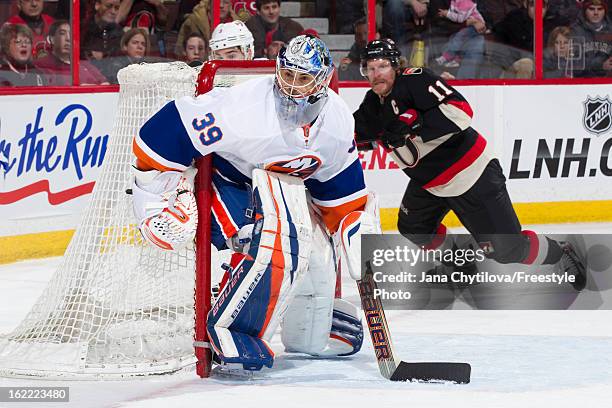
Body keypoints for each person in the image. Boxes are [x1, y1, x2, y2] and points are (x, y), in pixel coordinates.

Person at [131, 35, 375, 371]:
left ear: (322, 81)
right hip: (225, 183)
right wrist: (153, 197)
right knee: (267, 242)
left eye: (303, 78)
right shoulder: (242, 109)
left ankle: (310, 334)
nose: (292, 86)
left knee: (314, 254)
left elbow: (338, 189)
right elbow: (168, 129)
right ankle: (228, 329)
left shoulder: (338, 121)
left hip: (280, 191)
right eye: (287, 74)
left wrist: (353, 228)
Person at [353, 38, 587, 291]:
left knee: (508, 250)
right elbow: (350, 133)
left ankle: (560, 253)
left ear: (396, 66)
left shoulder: (415, 79)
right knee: (414, 227)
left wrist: (413, 125)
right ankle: (461, 264)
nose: (376, 74)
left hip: (473, 174)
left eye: (383, 66)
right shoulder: (372, 104)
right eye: (371, 68)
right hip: (431, 185)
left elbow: (460, 110)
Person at [35, 20, 109, 85]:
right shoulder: (42, 65)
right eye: (62, 33)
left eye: (71, 34)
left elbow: (105, 84)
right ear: (51, 39)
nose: (68, 38)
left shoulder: (85, 64)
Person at [434, 0, 486, 69]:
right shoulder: (454, 1)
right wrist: (446, 14)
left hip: (474, 26)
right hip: (461, 27)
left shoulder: (466, 2)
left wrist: (447, 14)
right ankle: (456, 60)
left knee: (461, 37)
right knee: (458, 38)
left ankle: (447, 56)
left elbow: (460, 18)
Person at [571, 0, 612, 77]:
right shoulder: (574, 31)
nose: (596, 13)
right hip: (583, 81)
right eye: (591, 9)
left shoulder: (610, 30)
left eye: (600, 9)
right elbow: (573, 64)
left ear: (605, 11)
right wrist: (600, 65)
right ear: (585, 11)